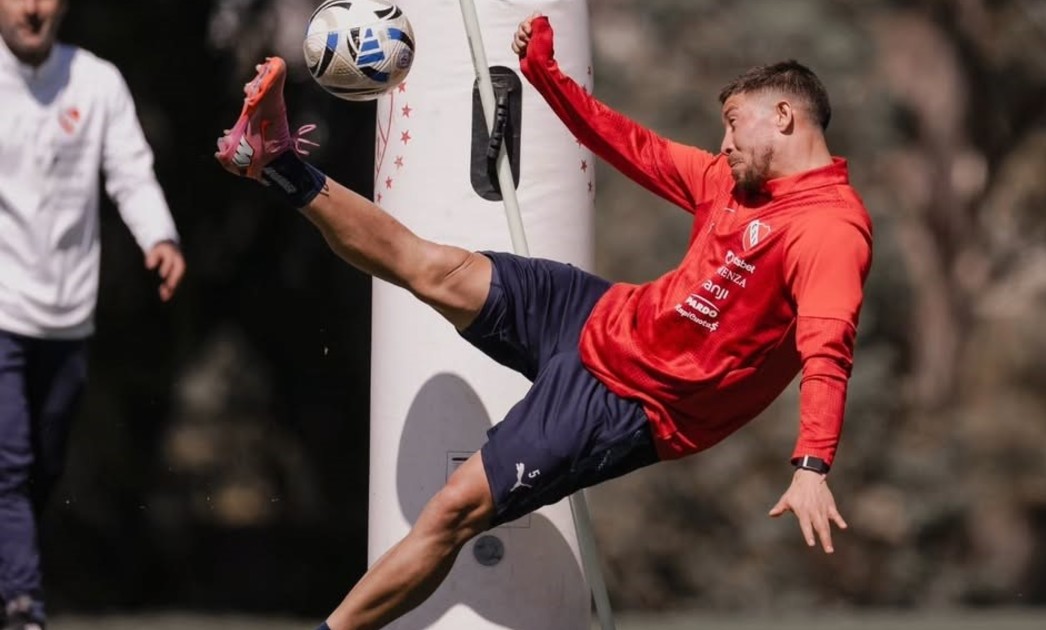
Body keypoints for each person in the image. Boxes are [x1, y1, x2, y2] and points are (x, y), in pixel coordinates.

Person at [215, 13, 870, 630]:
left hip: (630, 403)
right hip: (594, 313)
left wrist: (812, 465)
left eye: (733, 124)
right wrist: (543, 73)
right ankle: (275, 160)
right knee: (431, 266)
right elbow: (627, 143)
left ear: (784, 117)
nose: (724, 143)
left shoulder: (830, 229)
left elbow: (827, 351)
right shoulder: (731, 182)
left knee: (451, 510)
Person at [0, 1, 186, 628]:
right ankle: (23, 606)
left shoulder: (97, 82)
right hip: (1, 311)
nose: (32, 8)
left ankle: (10, 581)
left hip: (67, 315)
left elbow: (131, 172)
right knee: (8, 463)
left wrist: (159, 237)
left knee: (41, 469)